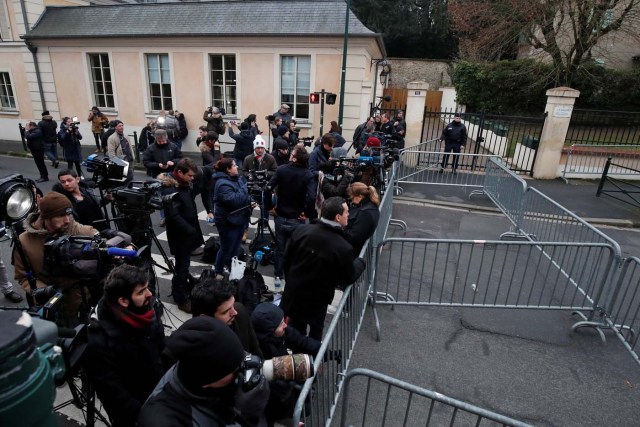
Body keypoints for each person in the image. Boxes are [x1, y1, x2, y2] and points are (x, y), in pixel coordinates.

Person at [138, 316, 268, 427]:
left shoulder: (194, 360)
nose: (240, 370)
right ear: (207, 381)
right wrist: (244, 418)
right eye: (234, 369)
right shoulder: (163, 422)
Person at [84, 265, 165, 427]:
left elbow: (162, 349)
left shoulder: (146, 308)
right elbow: (113, 392)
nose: (150, 294)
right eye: (141, 292)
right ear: (123, 301)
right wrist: (145, 414)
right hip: (135, 412)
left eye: (147, 288)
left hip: (159, 392)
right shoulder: (99, 338)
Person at [280, 196, 365, 340]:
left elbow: (287, 259)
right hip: (318, 299)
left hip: (295, 292)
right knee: (315, 332)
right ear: (338, 217)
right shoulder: (343, 247)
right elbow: (347, 277)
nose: (349, 215)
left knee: (295, 333)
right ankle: (313, 358)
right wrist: (360, 263)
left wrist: (292, 280)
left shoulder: (301, 230)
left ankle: (300, 360)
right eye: (346, 212)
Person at [13, 191, 99, 327]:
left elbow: (95, 235)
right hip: (50, 308)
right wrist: (47, 291)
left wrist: (120, 244)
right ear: (46, 217)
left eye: (69, 214)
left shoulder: (74, 229)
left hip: (80, 303)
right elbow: (23, 277)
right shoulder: (24, 241)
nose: (67, 220)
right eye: (61, 215)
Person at [251, 302, 321, 425]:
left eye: (284, 321)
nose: (285, 325)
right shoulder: (261, 353)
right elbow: (276, 392)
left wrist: (324, 351)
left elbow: (300, 340)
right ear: (269, 331)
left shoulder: (280, 332)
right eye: (280, 324)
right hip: (274, 398)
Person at [158, 158, 203, 313]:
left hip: (187, 233)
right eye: (189, 175)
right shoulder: (170, 190)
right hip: (180, 236)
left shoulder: (183, 185)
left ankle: (180, 290)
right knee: (182, 268)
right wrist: (190, 230)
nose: (192, 178)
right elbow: (173, 216)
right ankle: (181, 298)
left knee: (183, 266)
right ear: (179, 173)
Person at [269, 146, 316, 282]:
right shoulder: (307, 174)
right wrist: (307, 212)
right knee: (296, 249)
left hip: (281, 215)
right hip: (297, 217)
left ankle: (278, 275)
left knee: (280, 248)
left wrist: (271, 206)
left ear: (295, 158)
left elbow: (268, 188)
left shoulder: (282, 169)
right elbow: (312, 197)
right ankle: (292, 276)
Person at [191, 277, 263, 357]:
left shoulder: (240, 312)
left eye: (233, 305)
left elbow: (255, 349)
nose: (234, 312)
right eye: (225, 312)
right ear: (205, 318)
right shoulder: (191, 345)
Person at [212, 158, 252, 275]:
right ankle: (218, 271)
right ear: (228, 170)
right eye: (234, 165)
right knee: (226, 248)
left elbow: (244, 198)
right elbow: (234, 200)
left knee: (235, 247)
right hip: (227, 222)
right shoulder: (222, 184)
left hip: (239, 219)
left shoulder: (237, 178)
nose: (237, 167)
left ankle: (232, 270)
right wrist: (246, 187)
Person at [344, 182, 380, 255]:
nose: (352, 200)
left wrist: (340, 230)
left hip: (354, 252)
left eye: (352, 197)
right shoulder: (370, 205)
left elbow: (354, 237)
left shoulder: (365, 212)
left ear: (360, 196)